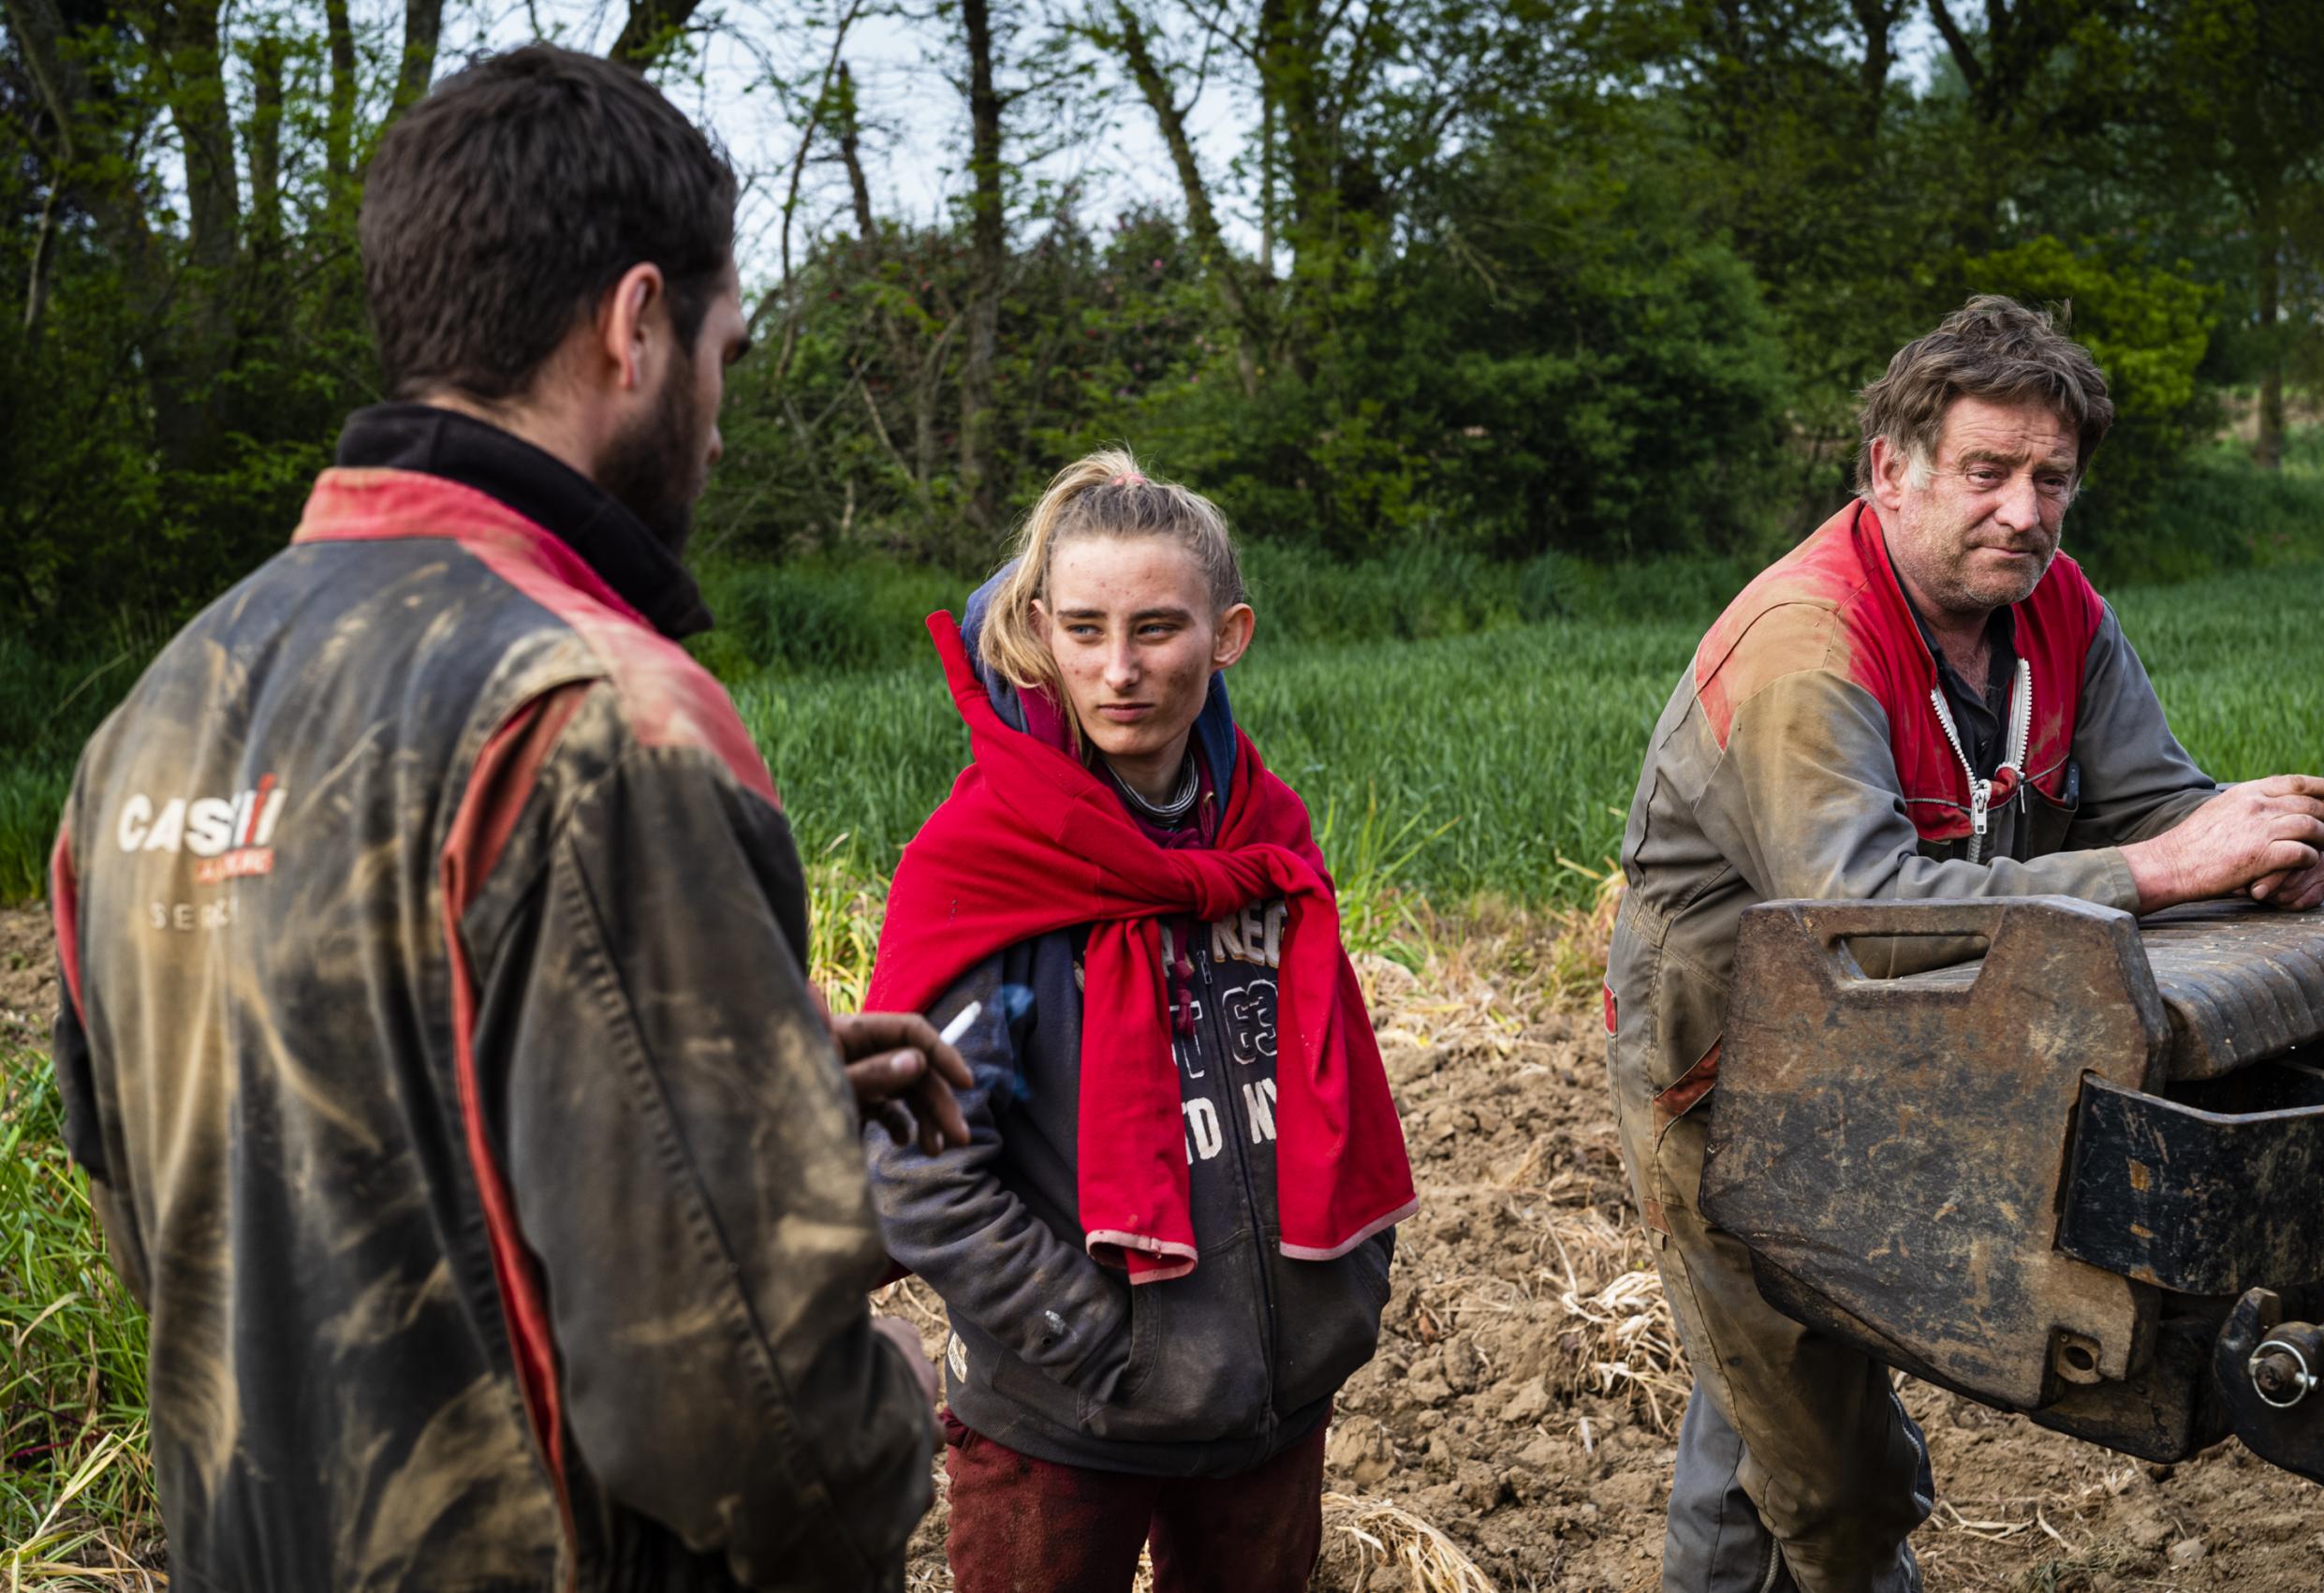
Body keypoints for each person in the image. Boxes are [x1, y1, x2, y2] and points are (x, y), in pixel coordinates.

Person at [46, 44, 970, 1592]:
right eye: (725, 357)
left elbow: (211, 1230)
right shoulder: (596, 712)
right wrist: (893, 1420)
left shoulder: (150, 722)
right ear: (637, 325)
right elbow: (738, 1411)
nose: (723, 428)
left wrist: (754, 1084)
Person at [1602, 296, 2324, 1593]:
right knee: (1831, 1475)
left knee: (1767, 1416)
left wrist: (2250, 841)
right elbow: (1858, 913)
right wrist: (2164, 869)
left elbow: (2152, 800)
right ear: (1891, 472)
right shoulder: (1806, 646)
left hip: (1927, 1053)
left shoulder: (2056, 610)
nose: (2025, 510)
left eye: (2051, 478)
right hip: (1734, 1082)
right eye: (1988, 472)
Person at [860, 450, 1419, 1593]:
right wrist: (1101, 1350)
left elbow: (1332, 1085)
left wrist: (1334, 1303)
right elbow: (920, 1175)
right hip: (1062, 1430)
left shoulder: (1267, 845)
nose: (1117, 670)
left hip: (1268, 1411)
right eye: (1083, 629)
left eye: (1157, 629)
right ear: (1041, 632)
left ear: (1228, 635)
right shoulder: (988, 866)